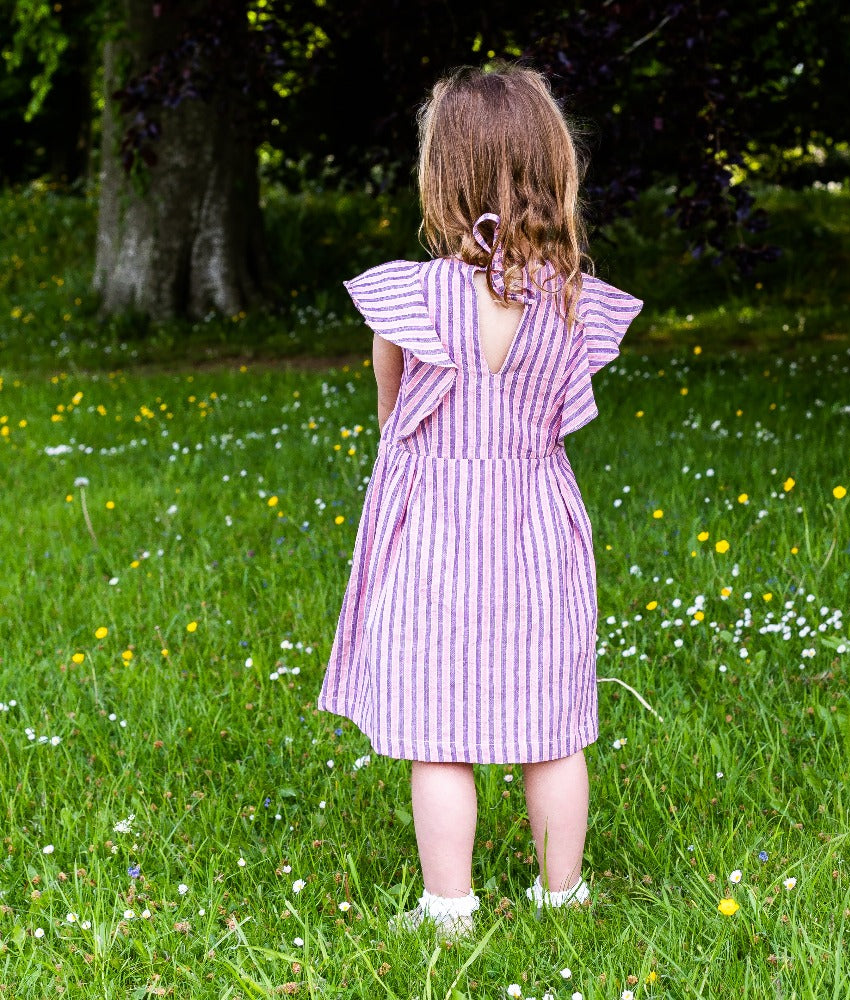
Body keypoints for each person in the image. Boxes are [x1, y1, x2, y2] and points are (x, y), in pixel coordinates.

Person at [317, 62, 643, 938]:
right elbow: (562, 415)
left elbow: (394, 420)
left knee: (438, 730)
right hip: (538, 528)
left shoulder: (411, 299)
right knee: (553, 727)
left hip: (435, 535)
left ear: (442, 178)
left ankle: (449, 907)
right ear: (553, 170)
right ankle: (562, 893)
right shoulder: (575, 306)